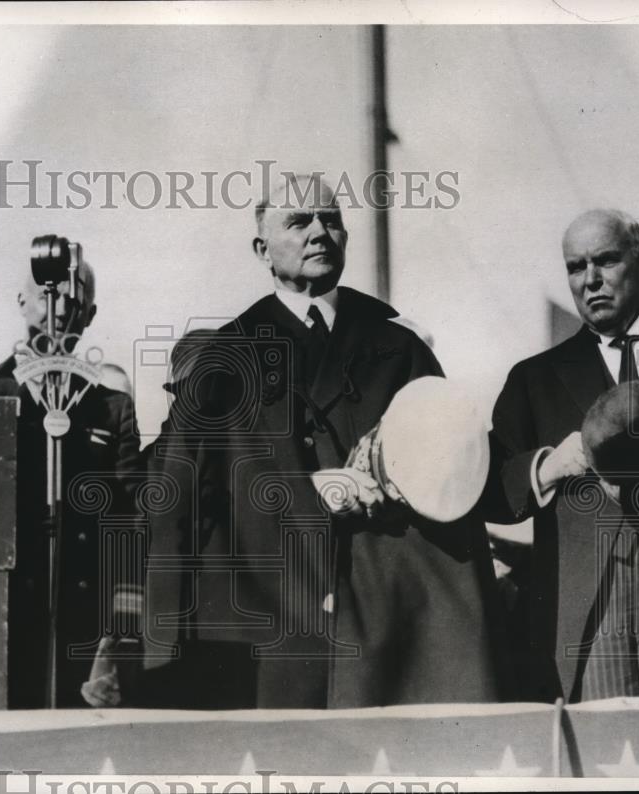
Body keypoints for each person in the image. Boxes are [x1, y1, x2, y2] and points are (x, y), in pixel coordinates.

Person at [143, 174, 510, 709]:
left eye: (331, 219)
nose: (320, 231)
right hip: (271, 620)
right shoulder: (224, 358)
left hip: (388, 614)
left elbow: (452, 466)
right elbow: (175, 497)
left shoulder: (397, 346)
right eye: (299, 222)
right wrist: (163, 644)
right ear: (262, 249)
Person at [484, 209, 639, 703]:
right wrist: (547, 466)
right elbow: (489, 488)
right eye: (576, 267)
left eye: (606, 260)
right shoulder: (533, 379)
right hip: (587, 621)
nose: (591, 279)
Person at [0, 262, 141, 708]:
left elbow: (130, 522)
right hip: (6, 616)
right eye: (46, 293)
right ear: (21, 301)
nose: (60, 307)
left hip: (83, 621)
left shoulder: (111, 409)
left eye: (76, 300)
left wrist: (119, 632)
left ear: (90, 314)